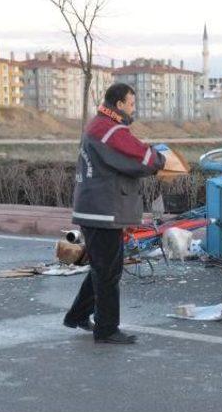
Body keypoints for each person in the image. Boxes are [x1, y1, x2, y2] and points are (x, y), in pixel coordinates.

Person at [63, 83, 166, 343]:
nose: (133, 109)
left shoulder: (98, 125)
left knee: (102, 267)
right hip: (102, 211)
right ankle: (107, 329)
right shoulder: (110, 130)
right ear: (119, 104)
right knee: (108, 271)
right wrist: (161, 159)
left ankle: (77, 315)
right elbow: (142, 158)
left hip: (95, 208)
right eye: (131, 103)